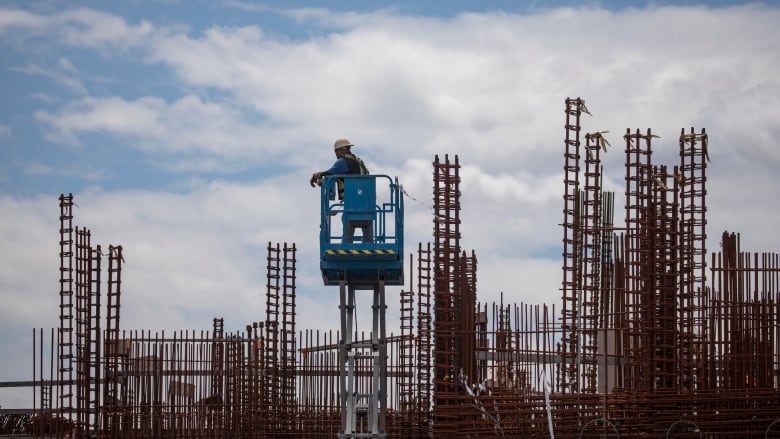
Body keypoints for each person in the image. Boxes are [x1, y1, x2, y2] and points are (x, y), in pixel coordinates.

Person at [309, 138, 373, 243]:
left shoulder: (342, 162)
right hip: (367, 202)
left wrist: (316, 176)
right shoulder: (359, 161)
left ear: (343, 150)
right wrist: (326, 181)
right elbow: (345, 176)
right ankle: (369, 249)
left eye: (336, 151)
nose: (336, 154)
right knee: (368, 235)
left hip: (352, 203)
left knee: (348, 235)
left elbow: (330, 173)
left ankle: (347, 250)